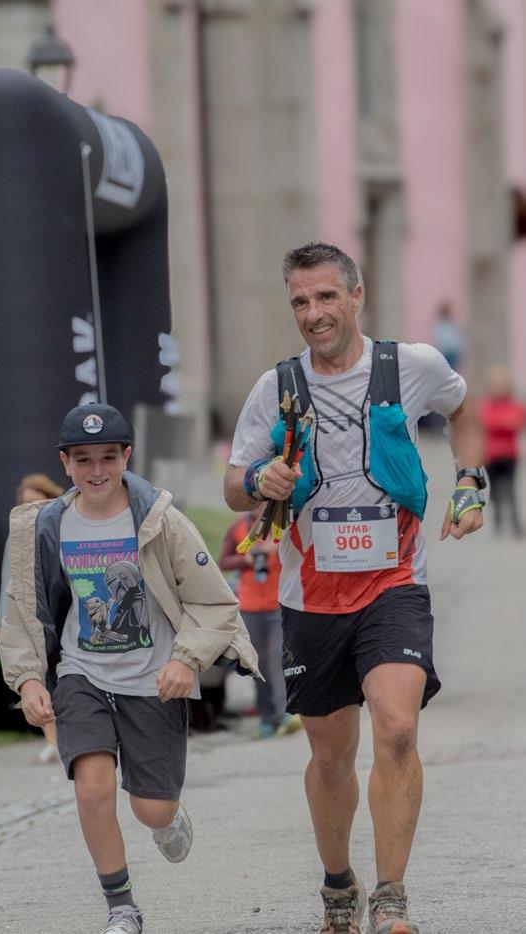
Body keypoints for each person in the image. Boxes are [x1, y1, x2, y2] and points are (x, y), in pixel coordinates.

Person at [224, 242, 486, 934]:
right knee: (329, 756)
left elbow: (463, 409)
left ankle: (391, 897)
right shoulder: (275, 387)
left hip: (394, 582)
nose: (313, 313)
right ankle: (338, 882)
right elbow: (232, 485)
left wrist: (469, 482)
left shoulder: (411, 366)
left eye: (325, 297)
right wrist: (256, 479)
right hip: (310, 595)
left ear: (356, 295)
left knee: (396, 729)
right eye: (300, 302)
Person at [0, 402, 260, 934]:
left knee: (151, 810)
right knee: (92, 788)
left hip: (154, 680)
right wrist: (27, 680)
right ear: (65, 462)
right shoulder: (46, 528)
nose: (96, 471)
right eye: (83, 459)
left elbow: (214, 603)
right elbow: (22, 613)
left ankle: (167, 816)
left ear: (126, 456)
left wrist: (186, 660)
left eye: (108, 458)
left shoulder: (161, 522)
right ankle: (122, 907)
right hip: (82, 674)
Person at [0, 473, 64, 763]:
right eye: (25, 503)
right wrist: (2, 621)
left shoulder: (64, 526)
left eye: (37, 501)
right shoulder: (17, 534)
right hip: (28, 614)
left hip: (61, 613)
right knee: (38, 677)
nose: (31, 508)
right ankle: (52, 741)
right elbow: (7, 578)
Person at [219, 503, 301, 739]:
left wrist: (278, 548)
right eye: (256, 502)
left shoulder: (282, 526)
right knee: (258, 664)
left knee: (277, 659)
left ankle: (284, 714)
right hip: (250, 606)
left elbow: (301, 555)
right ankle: (267, 718)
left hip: (278, 604)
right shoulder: (238, 528)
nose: (260, 507)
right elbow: (223, 562)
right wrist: (246, 559)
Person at [479, 366, 526, 536]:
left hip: (509, 455)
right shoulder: (487, 405)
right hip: (491, 455)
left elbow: (518, 422)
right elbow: (486, 422)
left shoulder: (514, 404)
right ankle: (498, 519)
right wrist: (504, 423)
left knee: (511, 490)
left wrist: (503, 424)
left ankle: (515, 524)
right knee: (494, 491)